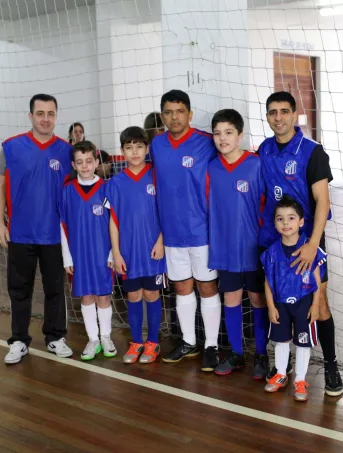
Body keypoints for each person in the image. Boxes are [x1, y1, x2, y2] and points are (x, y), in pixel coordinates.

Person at [257, 91, 343, 396]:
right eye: (272, 112)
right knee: (276, 304)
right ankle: (280, 367)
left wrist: (312, 244)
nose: (278, 117)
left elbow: (322, 201)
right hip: (274, 241)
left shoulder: (312, 152)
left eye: (284, 111)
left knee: (318, 306)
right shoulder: (264, 150)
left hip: (307, 242)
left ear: (295, 115)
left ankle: (331, 365)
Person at [0, 93, 74, 365]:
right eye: (40, 113)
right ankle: (18, 340)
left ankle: (55, 337)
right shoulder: (11, 147)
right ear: (31, 116)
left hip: (53, 234)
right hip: (21, 233)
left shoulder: (66, 150)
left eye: (51, 114)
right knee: (19, 289)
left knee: (55, 288)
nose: (46, 119)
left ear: (56, 116)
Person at [150, 90, 221, 371]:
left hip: (202, 231)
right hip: (172, 232)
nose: (174, 117)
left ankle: (212, 346)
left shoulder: (206, 142)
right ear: (162, 116)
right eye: (168, 112)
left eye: (179, 111)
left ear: (189, 114)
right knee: (182, 287)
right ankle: (189, 341)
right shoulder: (156, 145)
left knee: (206, 287)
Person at [207, 109, 270, 378]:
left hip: (254, 247)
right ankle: (235, 353)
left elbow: (268, 206)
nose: (223, 138)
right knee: (231, 298)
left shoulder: (256, 164)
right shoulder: (211, 168)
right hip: (225, 247)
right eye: (218, 133)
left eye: (228, 132)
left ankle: (261, 354)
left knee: (258, 299)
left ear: (240, 135)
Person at [106, 126, 166, 364]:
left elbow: (167, 212)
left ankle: (153, 342)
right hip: (128, 252)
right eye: (129, 148)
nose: (134, 152)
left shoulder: (157, 176)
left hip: (153, 250)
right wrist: (117, 252)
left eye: (139, 147)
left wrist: (162, 240)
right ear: (122, 151)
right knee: (133, 295)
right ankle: (136, 342)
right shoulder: (116, 183)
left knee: (151, 293)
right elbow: (113, 221)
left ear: (147, 149)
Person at [262, 195, 325, 402]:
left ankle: (300, 379)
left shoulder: (309, 249)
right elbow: (268, 281)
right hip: (280, 303)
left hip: (304, 303)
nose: (285, 223)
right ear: (275, 223)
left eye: (291, 218)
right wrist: (270, 306)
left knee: (303, 343)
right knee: (281, 340)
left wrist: (315, 304)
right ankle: (281, 373)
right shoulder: (271, 252)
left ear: (301, 221)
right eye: (280, 219)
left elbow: (317, 278)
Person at [59, 140, 117, 361]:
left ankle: (106, 336)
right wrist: (66, 256)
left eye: (89, 161)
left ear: (96, 162)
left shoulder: (107, 188)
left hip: (103, 254)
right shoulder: (66, 192)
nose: (85, 166)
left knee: (103, 296)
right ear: (73, 165)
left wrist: (113, 252)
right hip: (79, 255)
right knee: (86, 297)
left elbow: (115, 222)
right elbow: (62, 226)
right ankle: (93, 338)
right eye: (80, 162)